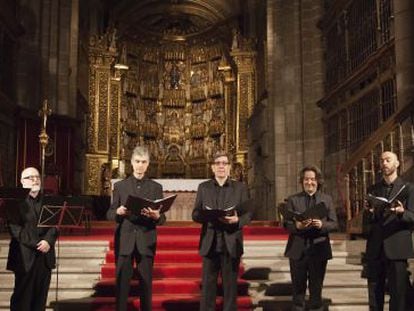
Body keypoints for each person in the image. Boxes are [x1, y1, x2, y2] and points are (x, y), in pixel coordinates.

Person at [107, 146, 166, 311]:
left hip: (146, 240)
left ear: (148, 164)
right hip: (125, 240)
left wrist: (157, 216)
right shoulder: (120, 186)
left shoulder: (156, 187)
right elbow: (110, 213)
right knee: (122, 285)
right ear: (132, 162)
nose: (140, 165)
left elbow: (162, 218)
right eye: (137, 161)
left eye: (144, 162)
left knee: (146, 285)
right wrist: (118, 212)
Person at [192, 151, 252, 311]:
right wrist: (207, 215)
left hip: (231, 242)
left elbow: (248, 214)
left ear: (229, 167)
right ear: (212, 167)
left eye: (224, 163)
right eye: (217, 163)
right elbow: (195, 214)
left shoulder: (240, 188)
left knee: (230, 287)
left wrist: (237, 220)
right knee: (208, 287)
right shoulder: (203, 187)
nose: (221, 166)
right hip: (210, 242)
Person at [363, 151, 414, 311]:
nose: (384, 163)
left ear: (397, 163)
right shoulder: (373, 189)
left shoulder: (409, 188)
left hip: (397, 247)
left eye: (388, 160)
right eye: (382, 160)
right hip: (375, 248)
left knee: (398, 294)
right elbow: (367, 223)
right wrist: (369, 214)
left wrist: (401, 212)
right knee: (374, 293)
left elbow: (413, 216)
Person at [283, 165, 338, 311]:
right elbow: (286, 224)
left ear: (318, 181)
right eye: (306, 179)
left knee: (316, 289)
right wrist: (298, 226)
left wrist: (321, 224)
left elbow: (334, 224)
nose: (309, 182)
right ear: (302, 181)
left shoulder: (326, 199)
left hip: (319, 247)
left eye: (313, 179)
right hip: (297, 248)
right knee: (298, 290)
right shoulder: (293, 200)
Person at [6, 167, 57, 311]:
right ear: (22, 181)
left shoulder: (50, 200)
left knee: (40, 300)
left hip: (45, 257)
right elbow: (16, 230)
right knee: (22, 301)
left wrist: (48, 241)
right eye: (30, 177)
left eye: (37, 177)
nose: (35, 180)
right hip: (24, 257)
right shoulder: (14, 202)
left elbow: (56, 225)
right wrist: (37, 243)